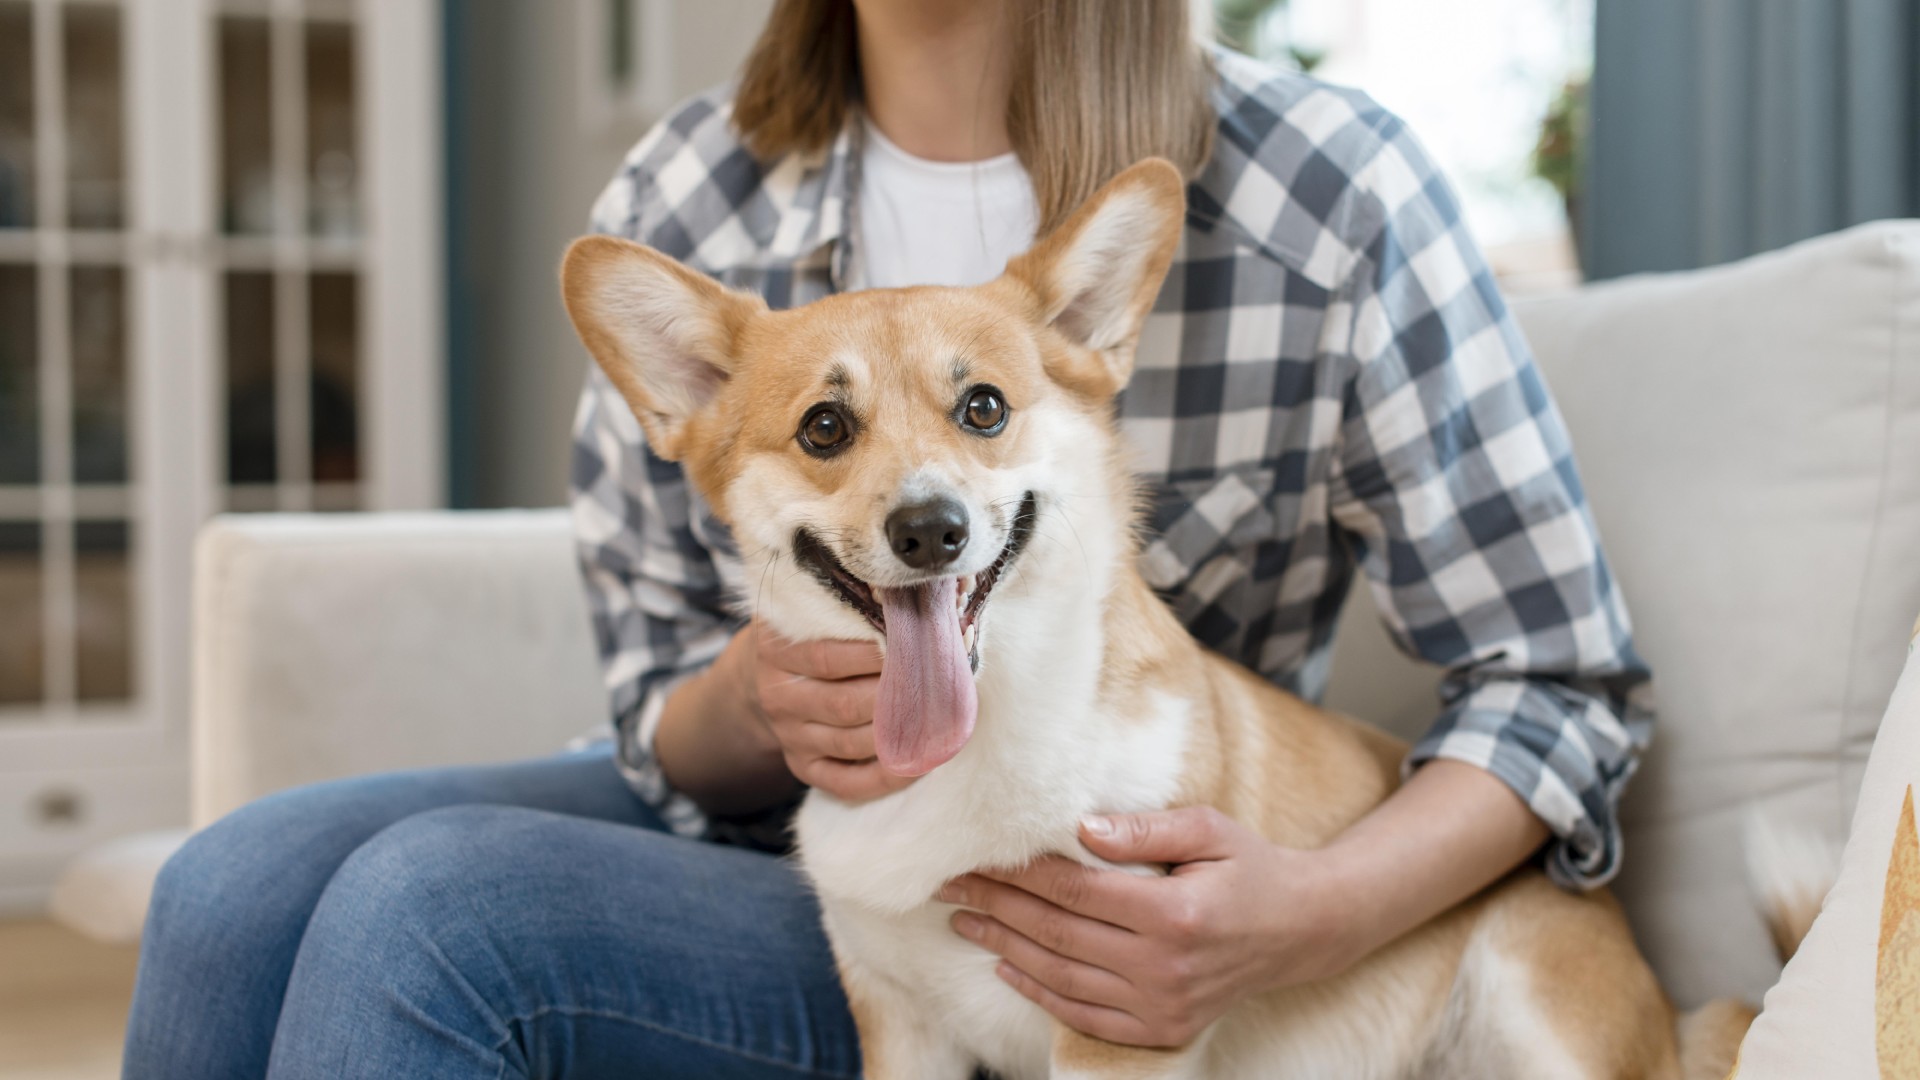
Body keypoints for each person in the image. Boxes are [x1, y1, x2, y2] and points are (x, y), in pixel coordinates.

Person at [123, 1, 1651, 1076]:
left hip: (1091, 855)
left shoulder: (1331, 193)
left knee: (429, 913)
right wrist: (753, 699)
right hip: (776, 831)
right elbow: (653, 700)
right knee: (231, 886)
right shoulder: (692, 188)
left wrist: (1302, 920)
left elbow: (1559, 683)